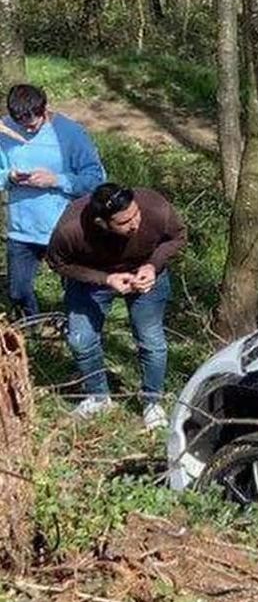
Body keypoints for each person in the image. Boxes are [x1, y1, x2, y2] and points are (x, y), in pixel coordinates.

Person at [47, 183, 187, 429]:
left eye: (136, 215)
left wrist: (153, 265)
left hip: (146, 273)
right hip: (93, 277)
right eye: (124, 222)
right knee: (81, 339)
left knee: (151, 339)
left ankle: (152, 401)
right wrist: (105, 280)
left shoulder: (154, 206)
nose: (134, 223)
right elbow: (58, 263)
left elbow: (178, 236)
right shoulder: (71, 229)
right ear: (102, 223)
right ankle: (98, 397)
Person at [0, 84, 106, 317]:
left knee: (75, 289)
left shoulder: (70, 133)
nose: (27, 127)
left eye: (32, 121)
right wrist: (9, 176)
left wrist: (55, 180)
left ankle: (75, 329)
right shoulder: (3, 132)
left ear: (44, 108)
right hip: (22, 229)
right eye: (20, 121)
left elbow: (95, 178)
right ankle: (32, 330)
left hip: (64, 227)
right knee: (18, 291)